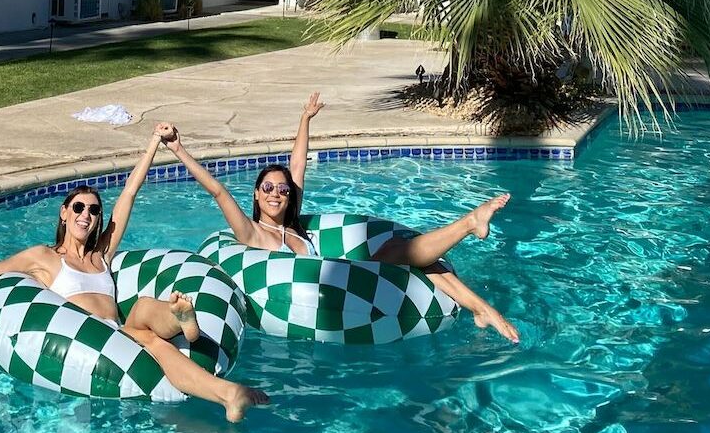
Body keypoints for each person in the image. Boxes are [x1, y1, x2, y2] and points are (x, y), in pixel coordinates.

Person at [0, 123, 269, 422]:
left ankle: (205, 357)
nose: (87, 215)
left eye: (94, 210)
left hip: (121, 332)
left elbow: (129, 194)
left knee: (143, 314)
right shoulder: (44, 258)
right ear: (64, 213)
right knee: (150, 333)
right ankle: (188, 335)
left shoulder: (102, 255)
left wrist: (154, 144)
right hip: (89, 339)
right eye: (79, 207)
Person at [163, 95, 521, 343]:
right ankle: (468, 225)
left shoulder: (294, 226)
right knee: (403, 254)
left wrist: (304, 119)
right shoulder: (251, 233)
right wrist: (178, 148)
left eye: (283, 190)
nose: (276, 193)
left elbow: (298, 165)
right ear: (256, 194)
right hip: (330, 294)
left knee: (412, 257)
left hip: (351, 278)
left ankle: (481, 307)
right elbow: (219, 192)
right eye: (268, 187)